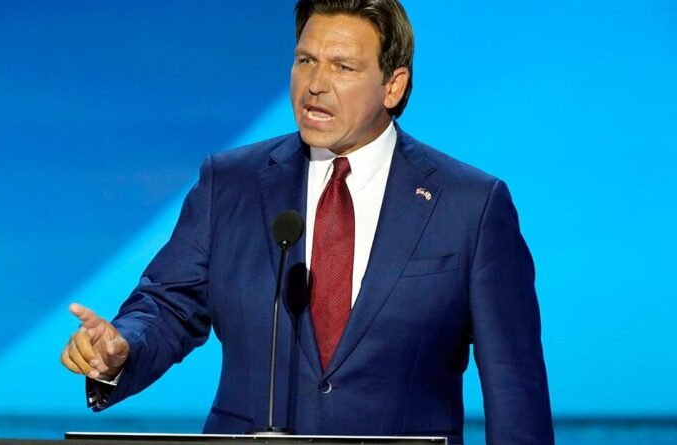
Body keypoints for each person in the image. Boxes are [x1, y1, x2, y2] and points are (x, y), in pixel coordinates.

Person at [60, 1, 554, 444]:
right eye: (305, 61)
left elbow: (515, 387)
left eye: (342, 66)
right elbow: (168, 305)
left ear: (393, 85)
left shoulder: (470, 204)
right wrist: (121, 349)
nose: (315, 84)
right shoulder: (232, 182)